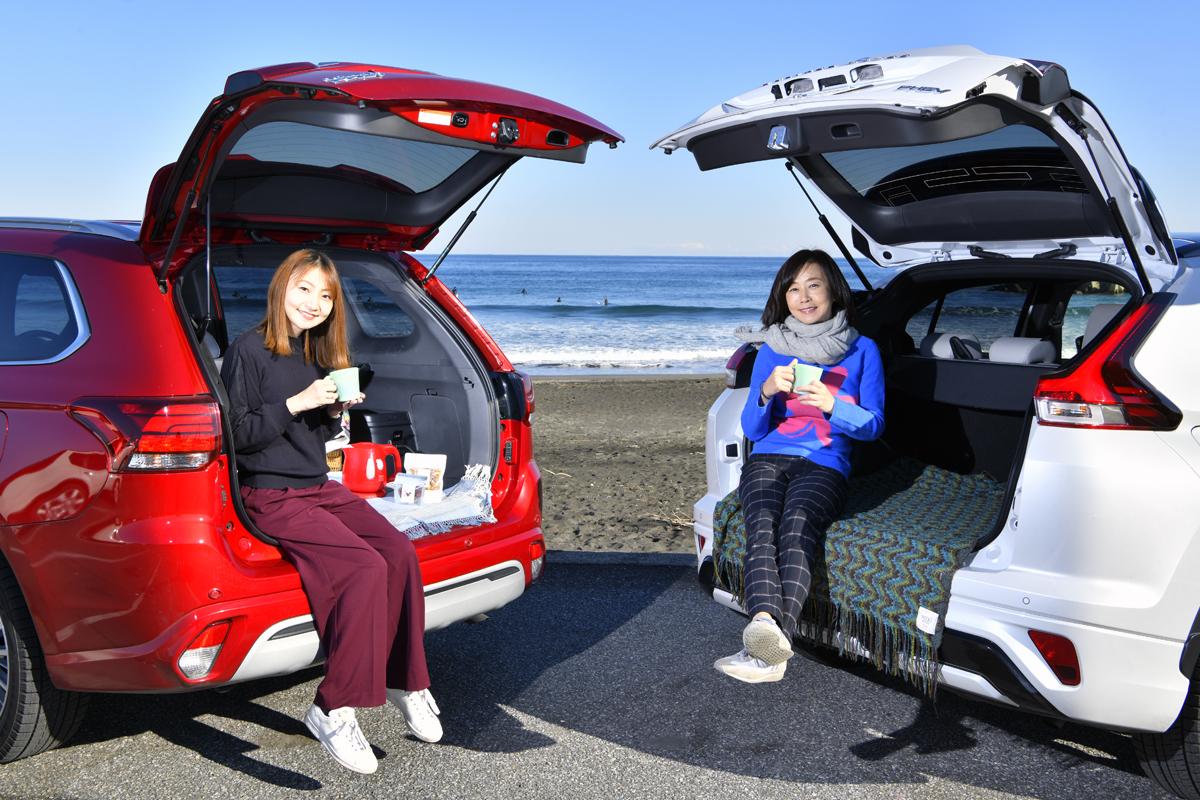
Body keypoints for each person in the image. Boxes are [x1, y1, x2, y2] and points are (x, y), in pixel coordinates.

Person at [220, 249, 442, 774]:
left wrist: (333, 412)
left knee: (398, 552)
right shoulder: (247, 350)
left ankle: (405, 682)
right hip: (270, 493)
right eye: (304, 289)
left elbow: (312, 439)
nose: (314, 303)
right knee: (363, 567)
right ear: (281, 289)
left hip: (317, 485)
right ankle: (332, 706)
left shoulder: (316, 353)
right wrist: (297, 403)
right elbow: (238, 438)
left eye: (325, 295)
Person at [715, 249, 884, 684]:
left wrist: (834, 407)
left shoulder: (863, 350)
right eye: (793, 288)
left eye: (813, 285)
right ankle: (769, 642)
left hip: (827, 461)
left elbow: (874, 426)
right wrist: (766, 391)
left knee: (798, 521)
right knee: (763, 519)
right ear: (783, 296)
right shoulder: (773, 349)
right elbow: (753, 428)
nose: (803, 297)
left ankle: (766, 648)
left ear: (833, 291)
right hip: (770, 455)